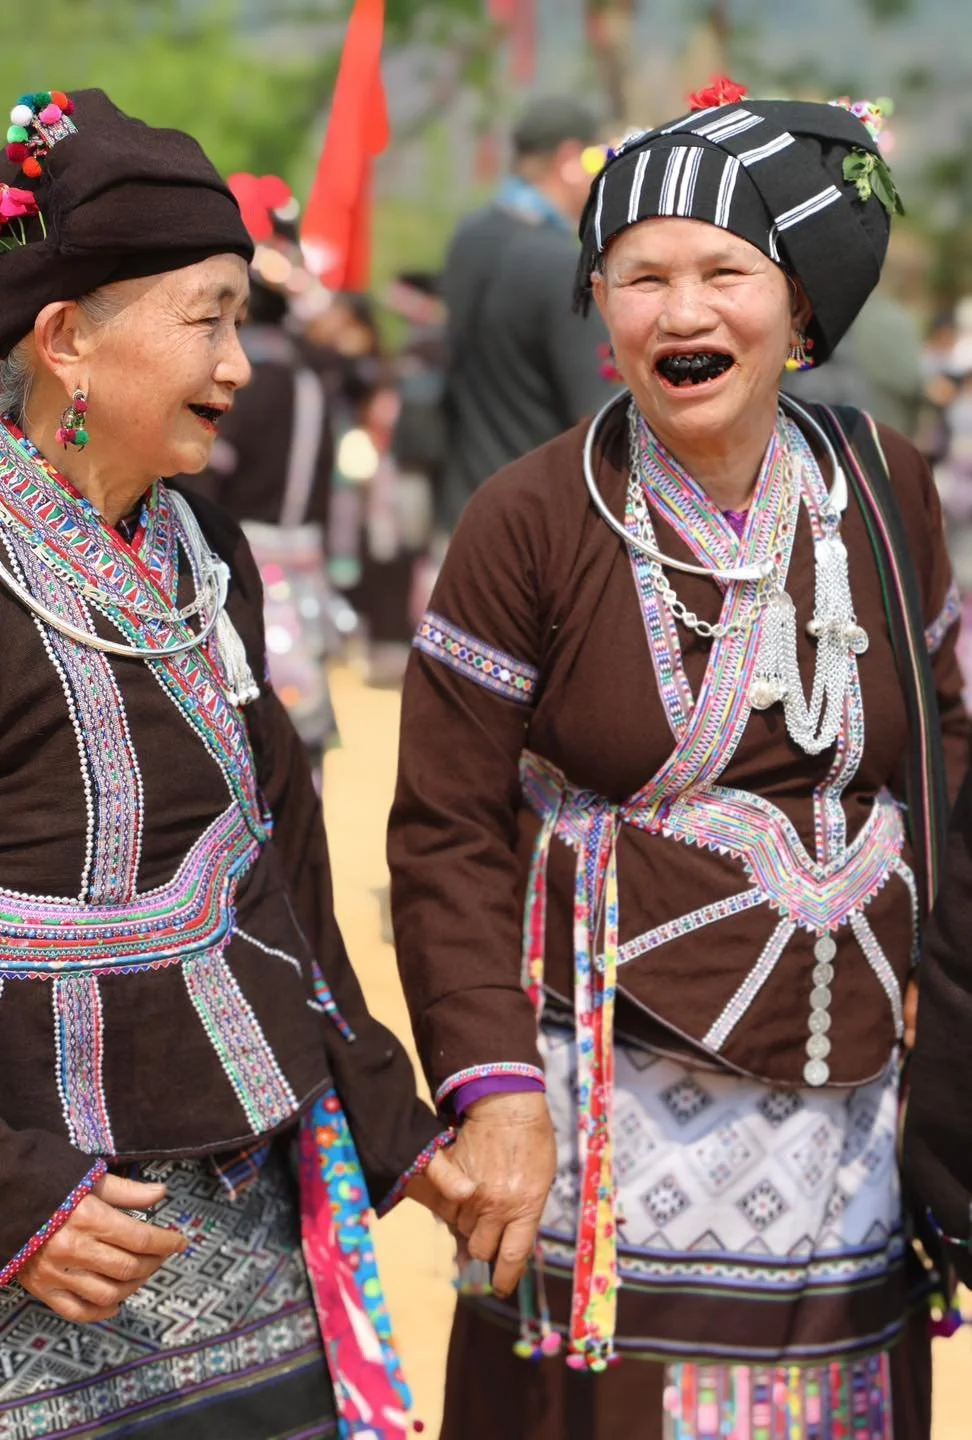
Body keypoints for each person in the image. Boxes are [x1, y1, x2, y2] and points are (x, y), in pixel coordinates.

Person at [388, 81, 969, 1440]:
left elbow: (947, 752)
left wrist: (946, 979)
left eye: (725, 272)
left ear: (801, 311)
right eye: (640, 277)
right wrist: (493, 1086)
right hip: (606, 1098)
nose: (682, 311)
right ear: (601, 309)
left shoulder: (887, 487)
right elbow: (445, 827)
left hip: (854, 1106)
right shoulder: (530, 517)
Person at [0, 86, 472, 1439]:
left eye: (241, 316)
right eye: (207, 316)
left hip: (243, 1223)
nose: (243, 361)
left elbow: (282, 861)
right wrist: (15, 1200)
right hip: (47, 1257)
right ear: (65, 341)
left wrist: (388, 1110)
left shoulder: (207, 552)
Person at [179, 172, 344, 776]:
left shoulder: (252, 390)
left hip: (242, 569)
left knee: (256, 726)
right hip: (305, 569)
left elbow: (207, 485)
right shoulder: (312, 381)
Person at [436, 94, 618, 535]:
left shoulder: (469, 238)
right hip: (538, 526)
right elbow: (597, 416)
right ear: (569, 158)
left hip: (465, 511)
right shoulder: (560, 264)